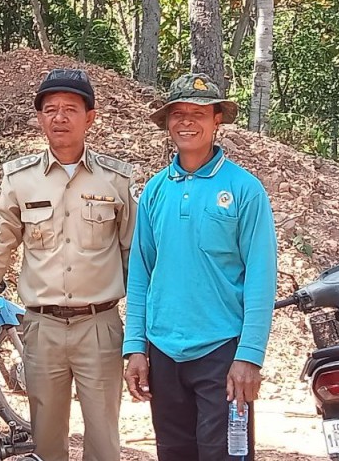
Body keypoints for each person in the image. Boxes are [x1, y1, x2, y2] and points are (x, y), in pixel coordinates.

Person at [0, 69, 137, 461]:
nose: (59, 117)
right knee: (46, 441)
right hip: (42, 329)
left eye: (70, 109)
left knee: (104, 440)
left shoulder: (116, 180)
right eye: (50, 109)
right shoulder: (20, 180)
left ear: (90, 118)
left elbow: (133, 255)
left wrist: (139, 328)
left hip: (100, 326)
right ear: (39, 118)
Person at [123, 73, 276, 461]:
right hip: (163, 351)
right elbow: (140, 274)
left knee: (224, 454)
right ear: (167, 121)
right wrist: (135, 347)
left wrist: (249, 356)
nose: (187, 121)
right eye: (178, 113)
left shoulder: (244, 189)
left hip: (221, 353)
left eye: (199, 113)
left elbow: (260, 278)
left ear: (216, 120)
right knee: (174, 453)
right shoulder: (155, 191)